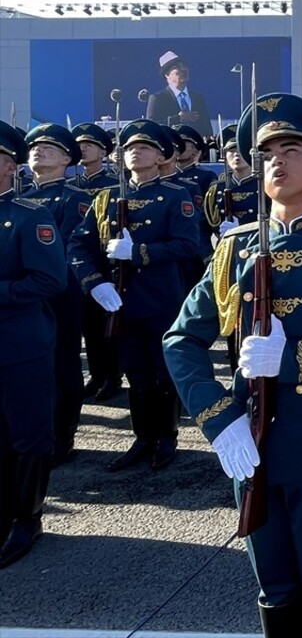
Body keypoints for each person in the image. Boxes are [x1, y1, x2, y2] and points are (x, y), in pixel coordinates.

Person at [164, 94, 302, 638]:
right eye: (265, 154)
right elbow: (181, 341)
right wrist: (218, 420)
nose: (276, 163)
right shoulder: (236, 249)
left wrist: (292, 359)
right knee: (273, 578)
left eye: (291, 150)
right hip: (248, 433)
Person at [68, 119, 202, 472]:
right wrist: (94, 282)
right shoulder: (107, 198)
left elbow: (188, 245)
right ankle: (142, 438)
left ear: (159, 157)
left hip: (159, 298)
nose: (134, 153)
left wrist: (140, 252)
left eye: (143, 148)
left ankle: (167, 437)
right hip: (119, 300)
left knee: (162, 370)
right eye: (128, 148)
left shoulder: (175, 196)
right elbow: (79, 244)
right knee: (135, 372)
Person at [0, 121, 67, 568]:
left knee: (26, 435)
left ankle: (26, 518)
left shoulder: (28, 215)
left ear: (8, 166)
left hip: (18, 342)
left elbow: (50, 279)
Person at [21, 124, 91, 466]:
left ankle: (62, 435)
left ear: (67, 159)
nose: (39, 151)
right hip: (19, 299)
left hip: (56, 295)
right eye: (35, 147)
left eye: (49, 149)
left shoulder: (75, 198)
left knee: (61, 364)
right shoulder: (16, 196)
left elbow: (67, 247)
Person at [72, 123, 123, 402]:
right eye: (80, 145)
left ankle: (112, 376)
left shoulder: (112, 185)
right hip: (82, 261)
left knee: (107, 324)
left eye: (89, 145)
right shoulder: (74, 184)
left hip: (108, 260)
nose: (83, 149)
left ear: (103, 151)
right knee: (89, 325)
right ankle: (97, 374)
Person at [145, 50, 213, 137]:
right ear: (167, 74)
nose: (183, 70)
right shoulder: (158, 98)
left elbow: (207, 128)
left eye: (184, 66)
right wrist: (178, 118)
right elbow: (151, 127)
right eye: (177, 67)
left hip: (194, 147)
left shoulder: (198, 98)